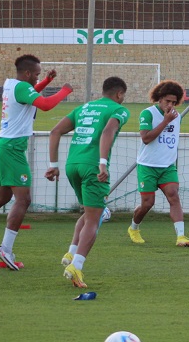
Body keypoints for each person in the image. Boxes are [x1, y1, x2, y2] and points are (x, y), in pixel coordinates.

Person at [0, 54, 72, 270]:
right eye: (36, 75)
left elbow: (30, 94)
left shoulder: (12, 84)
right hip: (13, 148)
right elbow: (45, 105)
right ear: (27, 73)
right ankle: (5, 249)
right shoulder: (21, 88)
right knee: (23, 199)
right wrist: (64, 91)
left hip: (2, 145)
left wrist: (46, 81)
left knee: (3, 196)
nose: (37, 79)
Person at [45, 76, 130, 288]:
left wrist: (53, 164)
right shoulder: (119, 110)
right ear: (119, 94)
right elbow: (108, 131)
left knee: (89, 212)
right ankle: (76, 266)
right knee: (95, 217)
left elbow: (55, 131)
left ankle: (71, 252)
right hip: (93, 167)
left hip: (72, 165)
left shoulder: (84, 108)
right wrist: (102, 163)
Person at [127, 80, 189, 247]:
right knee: (148, 203)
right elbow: (146, 138)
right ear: (159, 98)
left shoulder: (177, 117)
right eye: (166, 101)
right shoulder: (148, 113)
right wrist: (165, 121)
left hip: (167, 166)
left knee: (174, 196)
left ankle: (181, 236)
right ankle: (134, 228)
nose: (169, 105)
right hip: (147, 165)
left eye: (173, 102)